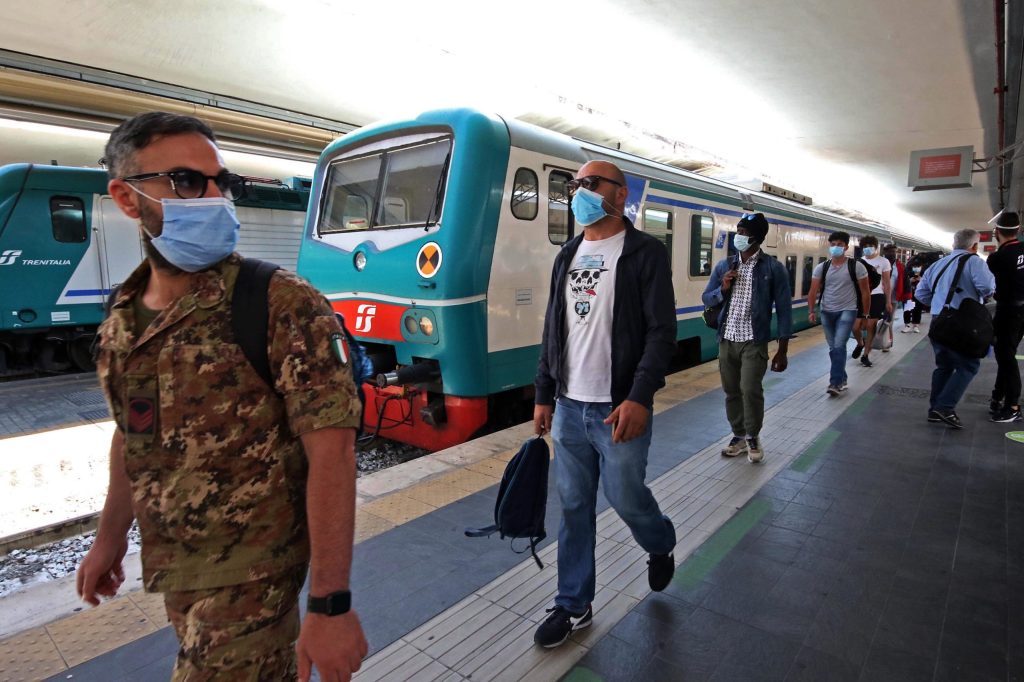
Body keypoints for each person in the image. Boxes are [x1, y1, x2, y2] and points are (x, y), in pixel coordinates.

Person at [75, 112, 368, 681]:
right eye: (187, 182)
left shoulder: (281, 302)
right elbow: (133, 433)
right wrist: (110, 538)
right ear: (127, 198)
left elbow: (333, 455)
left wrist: (331, 604)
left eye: (219, 182)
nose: (213, 197)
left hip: (253, 577)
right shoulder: (123, 317)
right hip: (174, 568)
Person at [533, 160, 677, 648]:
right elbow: (554, 328)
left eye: (590, 184)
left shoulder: (644, 253)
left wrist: (639, 396)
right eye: (576, 185)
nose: (579, 192)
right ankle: (573, 603)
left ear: (620, 195)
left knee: (626, 498)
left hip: (617, 408)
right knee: (574, 506)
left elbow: (662, 331)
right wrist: (543, 394)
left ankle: (660, 542)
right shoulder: (568, 254)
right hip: (570, 407)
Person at [702, 213, 792, 463]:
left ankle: (753, 436)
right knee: (731, 391)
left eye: (743, 233)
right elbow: (706, 298)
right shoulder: (724, 266)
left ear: (757, 237)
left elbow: (784, 310)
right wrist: (722, 288)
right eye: (737, 231)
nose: (738, 237)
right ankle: (738, 436)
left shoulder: (774, 269)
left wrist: (782, 349)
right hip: (726, 338)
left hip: (754, 339)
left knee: (750, 389)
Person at [915, 229, 996, 429]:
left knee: (943, 365)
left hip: (938, 321)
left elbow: (920, 293)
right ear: (975, 246)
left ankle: (934, 410)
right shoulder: (975, 262)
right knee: (968, 365)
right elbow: (987, 288)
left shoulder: (937, 264)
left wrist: (939, 305)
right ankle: (945, 407)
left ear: (954, 244)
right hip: (962, 323)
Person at [805, 232, 871, 396]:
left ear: (846, 247)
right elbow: (813, 291)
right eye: (833, 244)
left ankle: (835, 383)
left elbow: (865, 292)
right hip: (826, 311)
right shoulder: (822, 267)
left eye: (840, 244)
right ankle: (842, 376)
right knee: (833, 347)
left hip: (848, 310)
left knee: (839, 345)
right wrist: (811, 310)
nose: (836, 247)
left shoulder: (856, 266)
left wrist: (865, 315)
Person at [986, 211, 1024, 422]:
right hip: (1022, 311)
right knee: (1007, 354)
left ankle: (1013, 405)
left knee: (1006, 356)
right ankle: (997, 397)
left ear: (997, 232)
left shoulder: (997, 258)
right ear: (1017, 230)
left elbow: (988, 287)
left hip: (1008, 311)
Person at [850, 236, 892, 366]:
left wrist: (888, 301)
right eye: (865, 246)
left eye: (870, 246)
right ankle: (860, 343)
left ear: (875, 247)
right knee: (855, 327)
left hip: (877, 296)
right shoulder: (858, 262)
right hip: (862, 296)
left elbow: (886, 283)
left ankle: (866, 354)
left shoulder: (884, 262)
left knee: (870, 326)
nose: (868, 249)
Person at [882, 243, 904, 350]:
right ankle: (878, 340)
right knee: (878, 320)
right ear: (885, 252)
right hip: (880, 297)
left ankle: (887, 342)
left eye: (894, 252)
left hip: (893, 298)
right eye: (890, 252)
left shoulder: (899, 266)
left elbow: (903, 280)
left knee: (889, 320)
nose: (892, 254)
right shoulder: (881, 263)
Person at [902, 256, 926, 333]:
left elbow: (927, 284)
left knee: (918, 310)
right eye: (915, 266)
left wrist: (921, 280)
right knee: (907, 309)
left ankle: (916, 325)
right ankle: (907, 325)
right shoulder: (908, 274)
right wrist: (910, 281)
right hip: (909, 295)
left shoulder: (924, 274)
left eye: (918, 266)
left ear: (921, 267)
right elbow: (903, 283)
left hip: (919, 296)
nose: (916, 268)